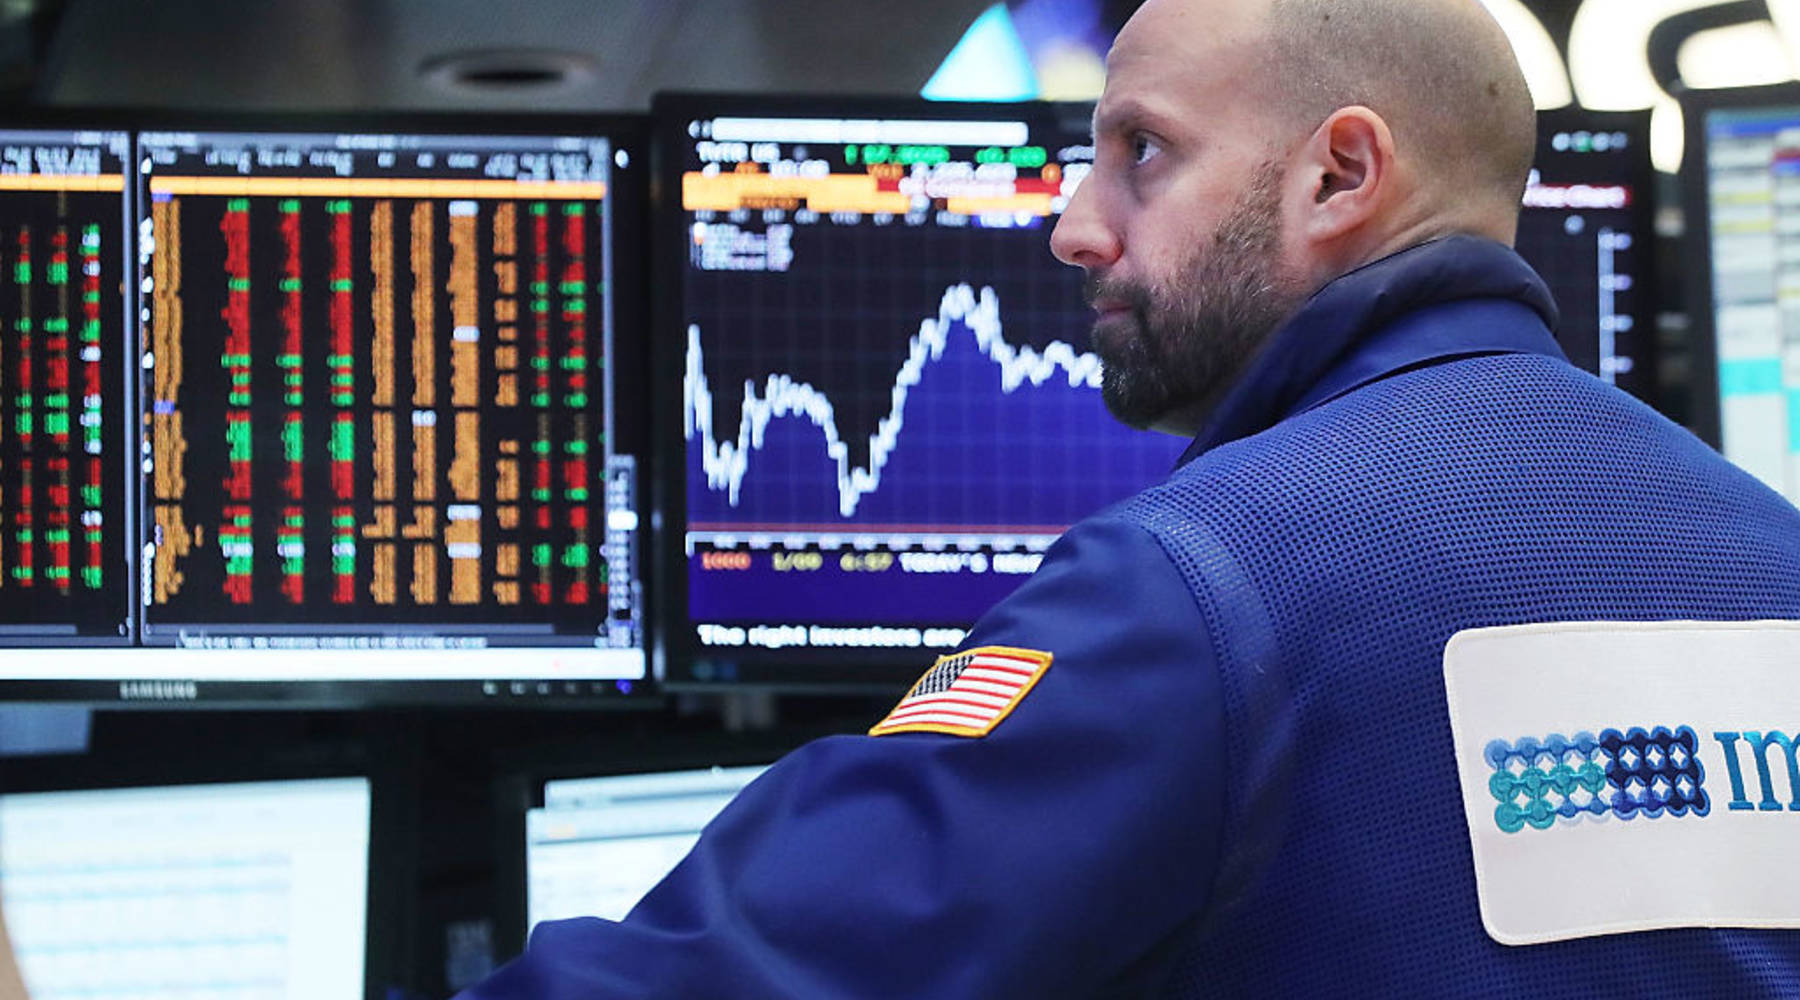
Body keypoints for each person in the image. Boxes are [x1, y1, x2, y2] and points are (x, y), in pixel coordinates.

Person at [462, 0, 1800, 995]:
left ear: (1341, 175)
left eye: (1142, 152)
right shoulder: (1775, 555)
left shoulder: (1201, 587)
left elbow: (730, 976)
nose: (1076, 227)